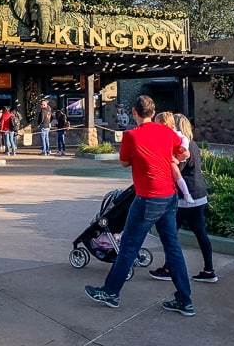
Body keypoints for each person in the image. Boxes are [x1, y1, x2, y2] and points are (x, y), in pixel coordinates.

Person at [84, 95, 195, 316]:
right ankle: (185, 300)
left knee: (128, 247)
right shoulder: (166, 131)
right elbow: (183, 152)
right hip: (169, 196)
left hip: (147, 198)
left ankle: (111, 292)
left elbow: (125, 162)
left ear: (134, 113)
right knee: (172, 248)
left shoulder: (131, 136)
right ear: (153, 113)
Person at [149, 113, 217, 283]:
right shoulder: (192, 145)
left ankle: (169, 268)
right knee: (200, 232)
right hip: (199, 193)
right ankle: (209, 269)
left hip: (184, 197)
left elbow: (174, 168)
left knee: (171, 232)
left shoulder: (181, 148)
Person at [153, 112, 194, 204]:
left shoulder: (173, 133)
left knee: (177, 175)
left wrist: (183, 146)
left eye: (156, 124)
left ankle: (186, 194)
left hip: (170, 158)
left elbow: (184, 140)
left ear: (164, 124)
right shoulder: (160, 133)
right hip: (166, 158)